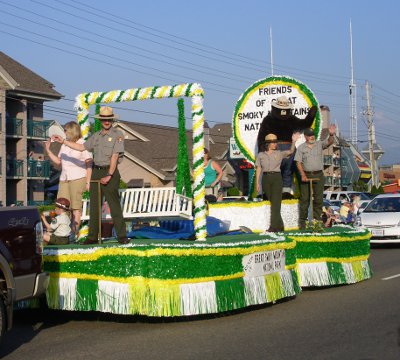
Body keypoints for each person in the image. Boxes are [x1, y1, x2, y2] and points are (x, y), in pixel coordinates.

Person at [52, 106, 129, 245]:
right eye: (104, 119)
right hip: (96, 171)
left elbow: (115, 156)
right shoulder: (96, 136)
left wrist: (109, 175)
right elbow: (82, 147)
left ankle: (122, 237)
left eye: (109, 119)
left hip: (109, 171)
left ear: (112, 119)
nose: (106, 122)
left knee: (114, 205)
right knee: (94, 206)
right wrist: (63, 141)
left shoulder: (117, 134)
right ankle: (92, 237)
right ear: (100, 120)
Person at [257, 96, 318, 197]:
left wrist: (262, 149)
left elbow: (261, 136)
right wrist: (311, 115)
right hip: (285, 147)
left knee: (273, 171)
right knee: (287, 171)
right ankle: (284, 191)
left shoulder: (268, 119)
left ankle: (272, 192)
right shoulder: (288, 119)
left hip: (276, 148)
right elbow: (304, 124)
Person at [45, 121, 93, 237]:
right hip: (64, 179)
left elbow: (89, 164)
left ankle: (73, 235)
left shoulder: (83, 144)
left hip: (78, 178)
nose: (64, 132)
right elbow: (58, 162)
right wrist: (48, 150)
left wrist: (88, 182)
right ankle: (64, 234)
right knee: (62, 207)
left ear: (72, 131)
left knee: (76, 208)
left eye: (66, 130)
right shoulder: (64, 145)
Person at [255, 132, 300, 232]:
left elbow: (291, 151)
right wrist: (257, 183)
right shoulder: (261, 155)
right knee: (273, 203)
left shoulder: (279, 153)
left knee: (276, 203)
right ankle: (280, 226)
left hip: (276, 178)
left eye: (276, 142)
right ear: (268, 144)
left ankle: (273, 227)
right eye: (274, 142)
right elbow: (258, 168)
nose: (276, 144)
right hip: (266, 178)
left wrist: (293, 141)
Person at [295, 124, 336, 229]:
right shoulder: (301, 148)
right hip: (306, 175)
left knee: (318, 199)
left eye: (313, 135)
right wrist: (303, 175)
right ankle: (303, 223)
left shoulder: (319, 144)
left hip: (318, 175)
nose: (312, 137)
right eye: (309, 135)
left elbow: (329, 142)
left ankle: (317, 221)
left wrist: (331, 134)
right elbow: (298, 162)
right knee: (305, 199)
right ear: (305, 137)